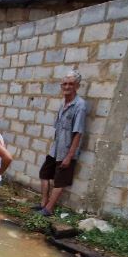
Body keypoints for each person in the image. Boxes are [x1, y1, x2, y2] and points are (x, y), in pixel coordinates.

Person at [38, 70, 87, 216]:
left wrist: (69, 156)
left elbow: (78, 132)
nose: (67, 87)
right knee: (44, 173)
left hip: (66, 151)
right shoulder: (63, 104)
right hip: (55, 149)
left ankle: (48, 209)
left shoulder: (80, 105)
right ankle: (43, 203)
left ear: (77, 86)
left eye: (71, 84)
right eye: (64, 84)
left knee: (60, 181)